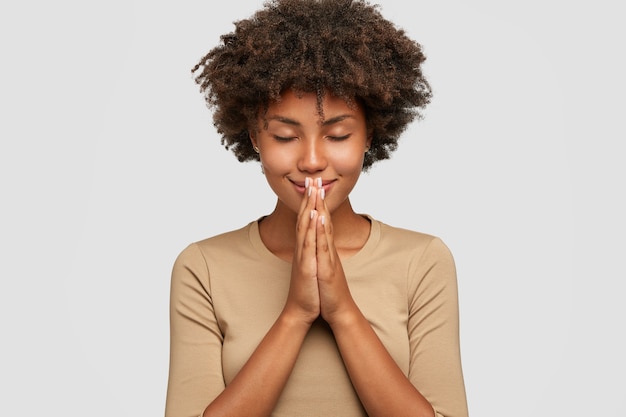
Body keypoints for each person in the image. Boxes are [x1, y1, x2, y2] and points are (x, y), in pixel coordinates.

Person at [165, 0, 468, 416]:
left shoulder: (423, 261)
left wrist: (342, 310)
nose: (310, 160)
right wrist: (296, 314)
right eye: (285, 136)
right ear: (254, 136)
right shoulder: (203, 267)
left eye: (338, 135)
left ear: (369, 134)